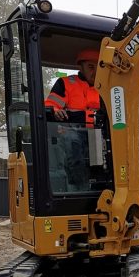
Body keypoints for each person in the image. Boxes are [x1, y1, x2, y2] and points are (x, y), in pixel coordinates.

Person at [44, 49, 100, 190]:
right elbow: (50, 106)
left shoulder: (105, 88)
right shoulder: (66, 83)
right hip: (72, 130)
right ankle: (79, 187)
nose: (95, 72)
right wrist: (56, 111)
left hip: (97, 133)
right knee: (72, 141)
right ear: (80, 67)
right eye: (91, 67)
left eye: (99, 67)